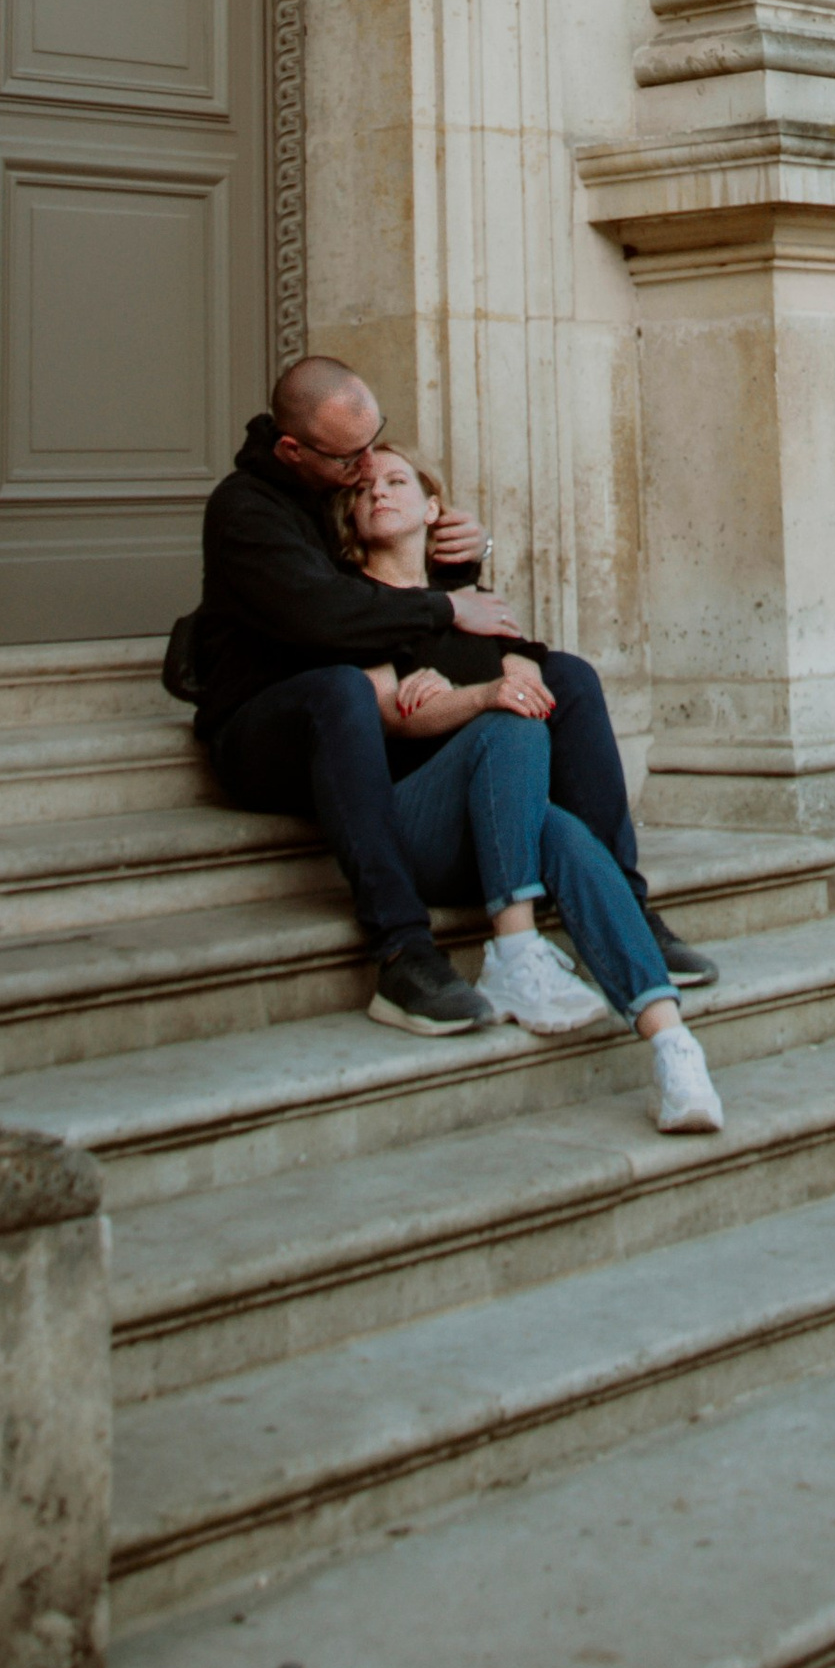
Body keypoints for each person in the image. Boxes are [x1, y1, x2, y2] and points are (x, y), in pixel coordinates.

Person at [185, 355, 717, 1048]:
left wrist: (463, 558)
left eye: (379, 440)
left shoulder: (341, 474)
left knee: (570, 677)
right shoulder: (246, 509)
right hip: (266, 725)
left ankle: (625, 905)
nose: (370, 466)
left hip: (368, 690)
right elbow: (329, 614)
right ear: (295, 450)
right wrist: (444, 608)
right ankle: (403, 952)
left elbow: (398, 577)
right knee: (344, 691)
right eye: (355, 458)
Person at [336, 448, 723, 1131]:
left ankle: (673, 1045)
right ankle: (514, 950)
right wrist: (482, 694)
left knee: (565, 833)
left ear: (432, 509)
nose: (379, 493)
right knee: (511, 724)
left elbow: (530, 671)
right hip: (419, 827)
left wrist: (491, 674)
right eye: (364, 488)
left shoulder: (476, 607)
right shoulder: (351, 604)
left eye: (397, 481)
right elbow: (390, 717)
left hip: (499, 825)